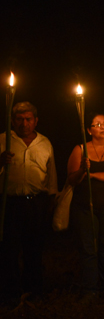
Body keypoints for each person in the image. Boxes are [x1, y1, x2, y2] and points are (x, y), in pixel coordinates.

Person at [65, 114, 104, 303]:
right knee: (88, 248)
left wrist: (93, 175)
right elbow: (72, 179)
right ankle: (89, 289)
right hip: (85, 207)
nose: (102, 127)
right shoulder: (80, 150)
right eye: (97, 124)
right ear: (89, 130)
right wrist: (83, 170)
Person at [0, 102, 58, 300]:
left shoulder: (45, 143)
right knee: (9, 248)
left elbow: (51, 175)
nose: (24, 123)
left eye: (28, 119)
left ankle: (33, 290)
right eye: (19, 119)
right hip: (10, 203)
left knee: (34, 247)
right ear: (12, 121)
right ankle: (10, 292)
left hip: (35, 203)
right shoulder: (3, 140)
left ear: (35, 121)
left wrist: (51, 201)